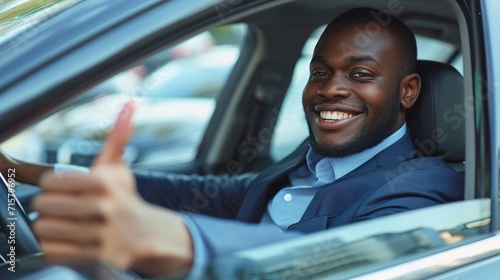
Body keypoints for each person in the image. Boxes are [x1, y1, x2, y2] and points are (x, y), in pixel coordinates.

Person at [0, 8, 463, 277]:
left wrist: (177, 240)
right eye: (320, 72)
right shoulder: (307, 163)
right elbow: (197, 193)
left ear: (408, 92)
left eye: (360, 75)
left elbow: (344, 260)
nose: (330, 89)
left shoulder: (423, 186)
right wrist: (20, 169)